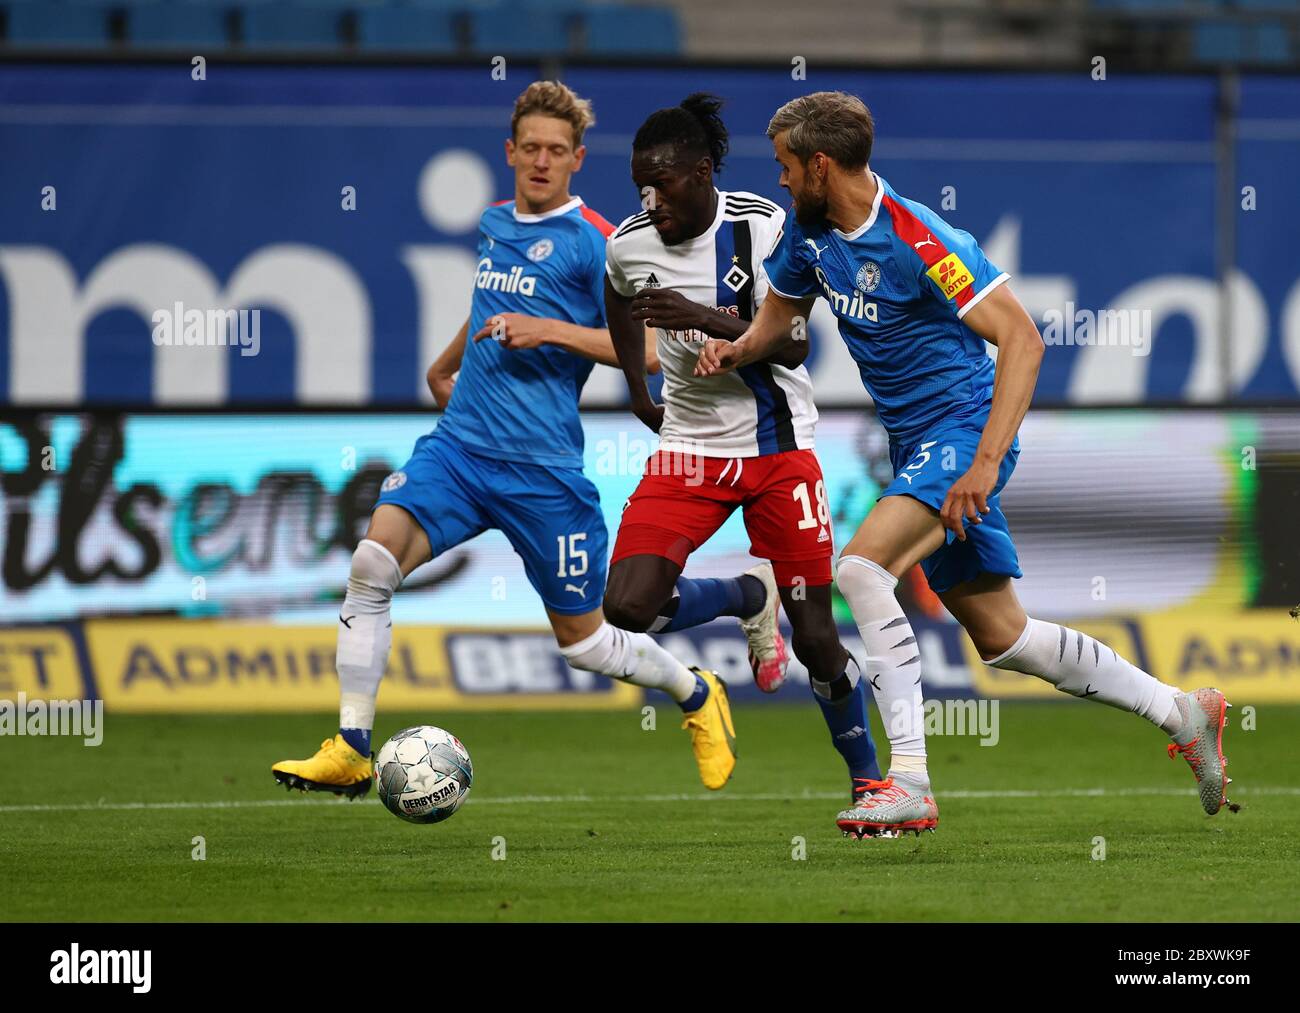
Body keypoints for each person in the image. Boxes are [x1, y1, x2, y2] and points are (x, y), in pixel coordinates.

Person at [696, 90, 1234, 837]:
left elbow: (1024, 340)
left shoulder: (921, 239)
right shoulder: (808, 236)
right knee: (1004, 637)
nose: (779, 178)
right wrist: (734, 349)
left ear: (820, 165)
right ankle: (1181, 710)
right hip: (915, 445)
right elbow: (777, 324)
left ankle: (909, 781)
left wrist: (983, 464)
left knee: (861, 571)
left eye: (786, 165)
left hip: (965, 429)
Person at [273, 81, 736, 798]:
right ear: (510, 151)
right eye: (531, 148)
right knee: (372, 562)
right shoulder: (494, 222)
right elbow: (494, 301)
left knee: (586, 644)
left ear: (578, 158)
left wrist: (549, 330)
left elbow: (646, 353)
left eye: (557, 150)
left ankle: (696, 692)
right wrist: (445, 364)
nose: (542, 161)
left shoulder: (598, 242)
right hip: (460, 449)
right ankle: (352, 748)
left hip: (542, 469)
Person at [603, 94, 882, 800]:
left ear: (702, 173)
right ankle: (747, 594)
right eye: (640, 186)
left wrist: (700, 317)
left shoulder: (761, 227)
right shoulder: (628, 244)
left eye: (661, 183)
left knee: (815, 637)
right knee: (627, 607)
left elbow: (795, 343)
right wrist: (637, 389)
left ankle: (869, 781)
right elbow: (617, 296)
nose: (649, 200)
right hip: (689, 449)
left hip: (776, 446)